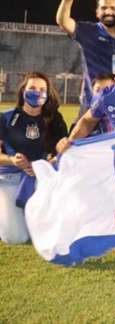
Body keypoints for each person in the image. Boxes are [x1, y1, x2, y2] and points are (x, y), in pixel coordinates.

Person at [0, 72, 67, 244]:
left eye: (42, 89)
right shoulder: (5, 118)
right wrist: (12, 159)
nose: (37, 92)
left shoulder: (55, 120)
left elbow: (63, 154)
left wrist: (44, 165)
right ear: (23, 90)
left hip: (41, 179)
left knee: (47, 230)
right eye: (32, 88)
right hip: (9, 178)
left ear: (47, 94)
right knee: (16, 238)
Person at [55, 0, 115, 112]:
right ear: (97, 12)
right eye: (104, 8)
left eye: (112, 8)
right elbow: (63, 22)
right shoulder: (88, 31)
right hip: (92, 103)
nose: (108, 12)